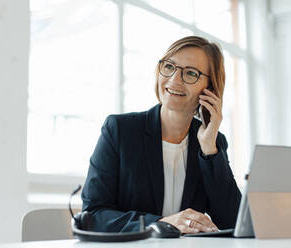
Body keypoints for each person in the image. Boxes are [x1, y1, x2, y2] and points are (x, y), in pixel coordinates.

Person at [81, 36, 241, 234]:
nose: (174, 79)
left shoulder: (214, 143)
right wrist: (163, 223)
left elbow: (233, 222)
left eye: (190, 73)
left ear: (209, 89)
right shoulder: (120, 130)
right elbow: (93, 215)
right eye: (169, 67)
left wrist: (209, 150)